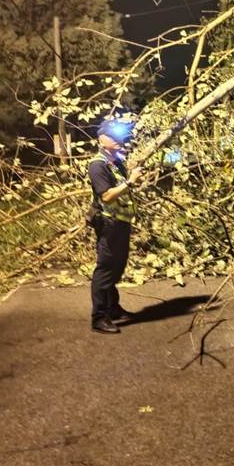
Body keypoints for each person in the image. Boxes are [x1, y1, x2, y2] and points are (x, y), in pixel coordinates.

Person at [87, 119, 143, 334]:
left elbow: (121, 190)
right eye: (114, 137)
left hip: (121, 223)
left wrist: (132, 179)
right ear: (102, 140)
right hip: (108, 224)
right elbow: (107, 196)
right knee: (105, 269)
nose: (120, 141)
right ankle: (99, 318)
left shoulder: (116, 163)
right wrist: (129, 182)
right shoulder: (97, 165)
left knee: (117, 267)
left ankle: (113, 308)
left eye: (120, 137)